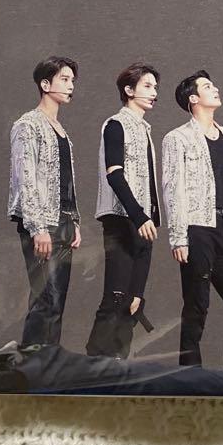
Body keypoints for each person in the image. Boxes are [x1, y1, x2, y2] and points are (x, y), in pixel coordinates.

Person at [162, 70, 223, 368]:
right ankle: (190, 375)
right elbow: (173, 188)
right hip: (196, 227)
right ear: (193, 99)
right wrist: (178, 237)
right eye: (207, 86)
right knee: (197, 306)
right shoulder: (177, 138)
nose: (215, 89)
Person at [85, 63, 161, 359]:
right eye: (147, 86)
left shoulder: (145, 129)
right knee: (116, 295)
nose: (154, 93)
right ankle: (95, 360)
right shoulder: (116, 124)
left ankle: (118, 365)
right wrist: (139, 215)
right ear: (129, 90)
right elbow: (114, 174)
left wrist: (150, 216)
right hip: (122, 219)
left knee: (133, 300)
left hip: (144, 222)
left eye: (155, 87)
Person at [7, 56, 82, 347]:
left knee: (57, 301)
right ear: (45, 84)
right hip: (40, 223)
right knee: (45, 299)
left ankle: (49, 362)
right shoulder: (28, 125)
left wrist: (74, 221)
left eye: (72, 80)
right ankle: (31, 366)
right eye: (64, 79)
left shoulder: (61, 130)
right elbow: (25, 179)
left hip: (63, 222)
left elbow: (66, 182)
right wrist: (38, 228)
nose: (70, 85)